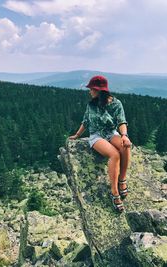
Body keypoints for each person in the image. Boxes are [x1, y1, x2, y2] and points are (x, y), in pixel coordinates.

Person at [69, 75, 131, 213]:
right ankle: (114, 192)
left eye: (92, 89)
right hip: (96, 135)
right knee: (114, 155)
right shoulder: (91, 104)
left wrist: (124, 136)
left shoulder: (116, 104)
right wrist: (77, 135)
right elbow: (86, 121)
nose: (90, 91)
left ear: (99, 91)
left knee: (125, 146)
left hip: (111, 133)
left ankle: (122, 179)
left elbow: (122, 121)